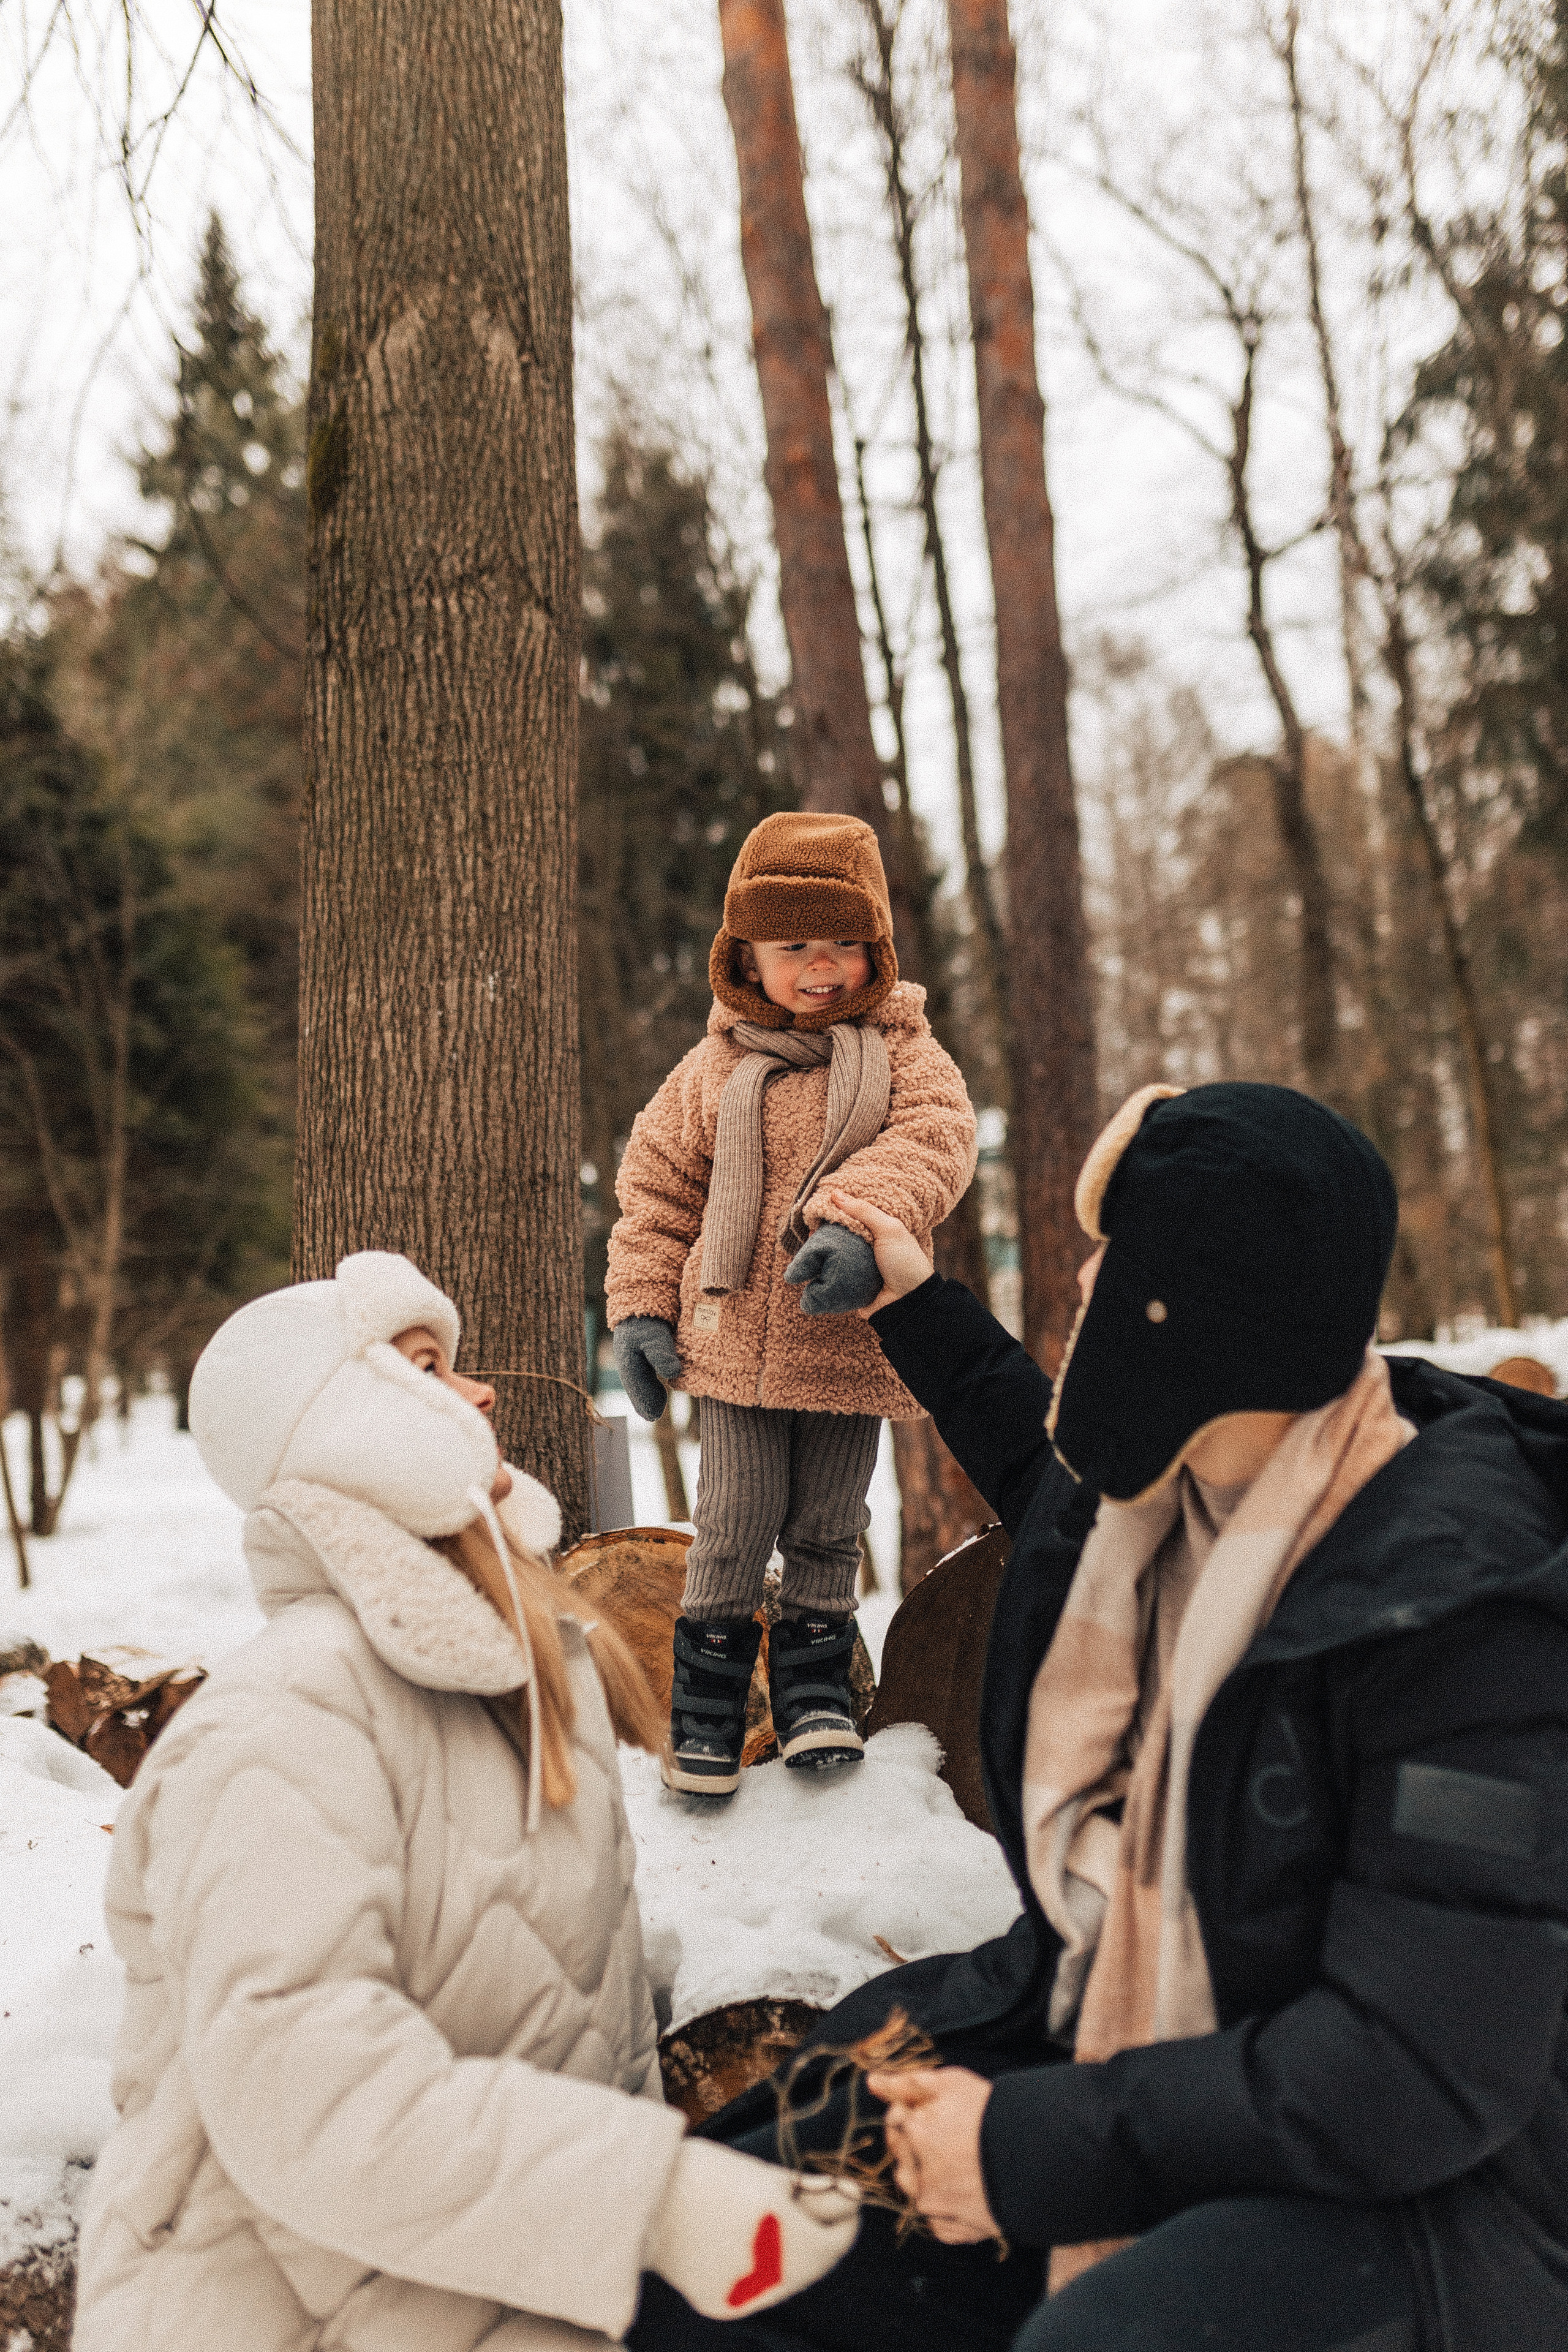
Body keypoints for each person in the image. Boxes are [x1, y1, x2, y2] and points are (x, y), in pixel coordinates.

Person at [631, 1081, 1568, 2352]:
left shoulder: (1458, 1615)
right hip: (1114, 2042)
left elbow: (1404, 2071)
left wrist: (1015, 2148)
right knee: (711, 2245)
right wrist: (906, 1300)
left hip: (1429, 2202)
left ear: (1194, 1304)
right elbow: (1039, 1460)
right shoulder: (1160, 1513)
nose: (1081, 1289)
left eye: (1105, 1260)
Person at [73, 1250, 859, 2352]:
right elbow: (311, 2091)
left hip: (495, 2292)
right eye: (426, 1368)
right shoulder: (286, 1723)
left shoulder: (524, 1685)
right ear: (345, 1422)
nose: (481, 1392)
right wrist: (649, 2199)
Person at [606, 810, 976, 1796]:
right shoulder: (716, 1067)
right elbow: (658, 1189)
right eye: (793, 946)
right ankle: (709, 1711)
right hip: (728, 1341)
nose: (821, 968)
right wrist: (642, 1307)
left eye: (844, 945)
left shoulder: (905, 1054)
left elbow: (935, 1143)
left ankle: (815, 1694)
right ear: (747, 957)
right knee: (732, 1521)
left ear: (878, 950)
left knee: (826, 1521)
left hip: (850, 1340)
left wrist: (862, 1228)